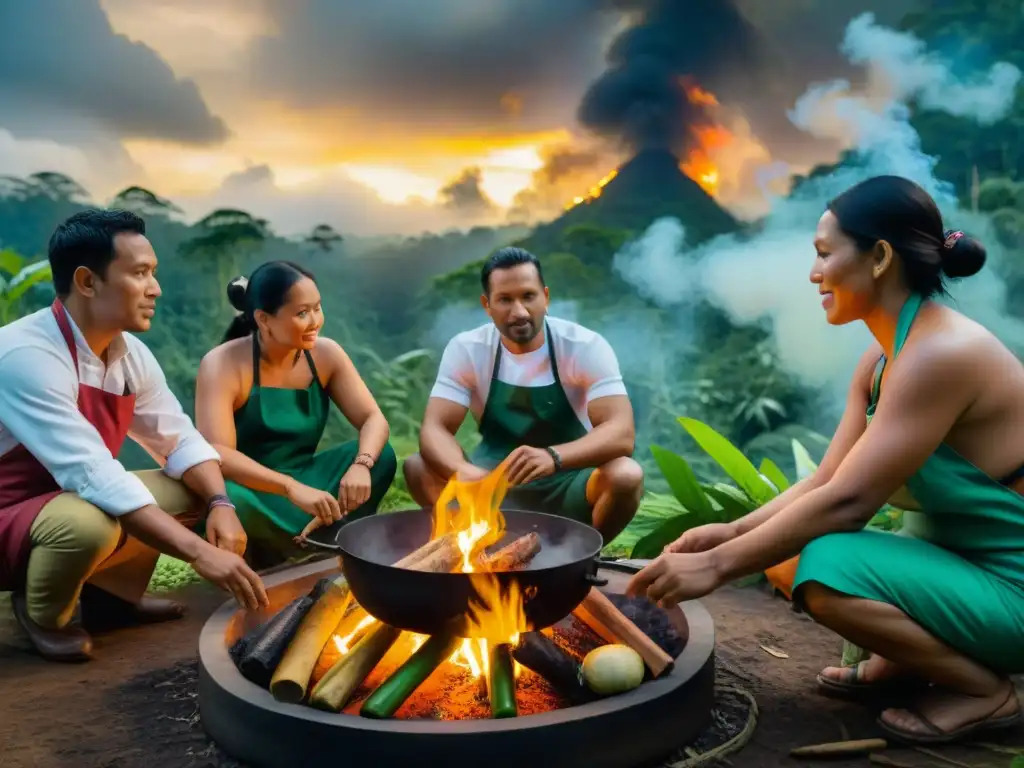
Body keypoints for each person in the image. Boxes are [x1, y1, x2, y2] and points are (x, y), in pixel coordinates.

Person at [625, 175, 1024, 744]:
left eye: (823, 255)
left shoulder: (941, 354)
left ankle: (984, 692)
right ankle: (914, 659)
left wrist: (715, 568)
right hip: (968, 569)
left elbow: (849, 503)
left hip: (1013, 587)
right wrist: (730, 532)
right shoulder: (883, 359)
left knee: (823, 564)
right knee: (787, 554)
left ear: (880, 257)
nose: (814, 274)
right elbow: (830, 478)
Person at [0, 209, 268, 663]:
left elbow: (178, 439)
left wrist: (221, 504)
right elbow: (95, 475)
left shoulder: (129, 354)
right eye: (140, 273)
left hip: (62, 497)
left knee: (194, 485)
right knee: (88, 521)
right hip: (11, 510)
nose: (155, 288)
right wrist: (199, 553)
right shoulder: (25, 355)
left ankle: (112, 600)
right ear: (87, 282)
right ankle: (46, 615)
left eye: (154, 273)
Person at [404, 246, 643, 543]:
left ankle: (579, 558)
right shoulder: (468, 348)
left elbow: (622, 434)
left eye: (528, 296)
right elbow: (435, 428)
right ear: (486, 304)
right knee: (418, 467)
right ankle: (474, 549)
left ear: (546, 297)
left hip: (569, 484)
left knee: (626, 475)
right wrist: (463, 470)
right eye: (504, 300)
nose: (519, 312)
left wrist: (554, 457)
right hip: (492, 486)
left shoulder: (584, 346)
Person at [194, 261, 396, 567]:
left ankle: (328, 539)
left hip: (308, 478)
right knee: (232, 501)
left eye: (318, 308)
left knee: (381, 455)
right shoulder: (223, 364)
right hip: (252, 488)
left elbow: (373, 419)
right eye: (302, 313)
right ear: (263, 319)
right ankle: (271, 553)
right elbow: (218, 452)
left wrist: (361, 465)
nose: (315, 321)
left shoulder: (325, 354)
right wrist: (289, 488)